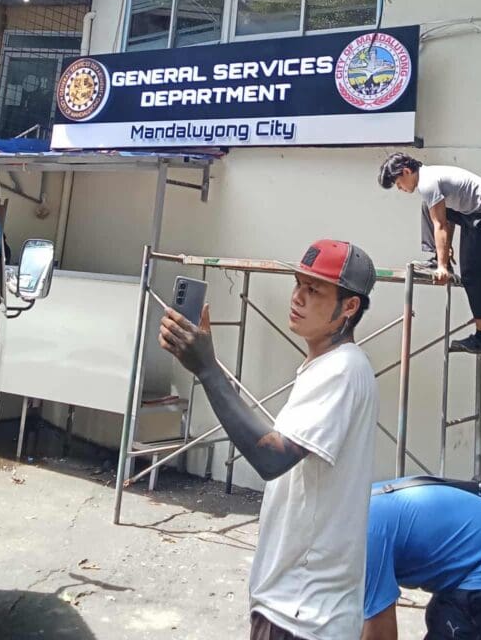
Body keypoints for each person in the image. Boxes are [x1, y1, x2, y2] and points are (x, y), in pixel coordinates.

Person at [159, 239, 379, 640]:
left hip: (304, 614)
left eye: (315, 290)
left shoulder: (343, 370)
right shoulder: (326, 366)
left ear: (349, 307)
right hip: (295, 605)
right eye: (298, 284)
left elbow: (272, 459)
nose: (297, 297)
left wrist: (208, 370)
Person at [362, 479, 481, 640]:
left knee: (459, 629)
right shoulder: (359, 505)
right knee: (441, 619)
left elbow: (380, 631)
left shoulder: (365, 537)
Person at [378, 154, 481, 355]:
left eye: (398, 183)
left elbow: (440, 226)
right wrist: (443, 256)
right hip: (476, 213)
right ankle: (435, 258)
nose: (400, 189)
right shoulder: (430, 176)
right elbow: (446, 219)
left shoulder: (428, 182)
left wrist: (443, 267)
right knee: (428, 207)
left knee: (471, 275)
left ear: (405, 172)